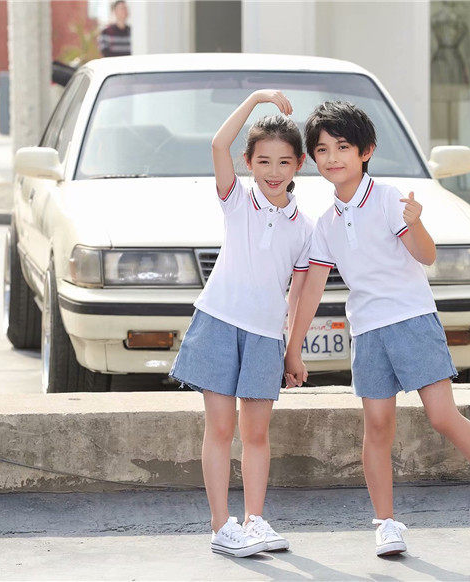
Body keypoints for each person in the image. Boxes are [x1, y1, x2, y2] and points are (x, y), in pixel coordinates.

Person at [284, 101, 470, 558]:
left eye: (343, 147)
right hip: (367, 332)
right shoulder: (325, 223)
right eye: (322, 149)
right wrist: (293, 348)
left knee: (442, 416)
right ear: (313, 158)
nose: (333, 157)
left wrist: (416, 224)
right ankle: (386, 524)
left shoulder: (388, 199)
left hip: (412, 320)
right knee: (377, 427)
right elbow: (312, 289)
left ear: (366, 151)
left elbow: (426, 256)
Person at [170, 90, 313, 558]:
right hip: (218, 323)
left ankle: (254, 520)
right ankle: (220, 527)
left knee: (256, 434)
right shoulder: (236, 200)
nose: (274, 171)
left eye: (284, 162)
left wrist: (292, 350)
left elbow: (297, 294)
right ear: (248, 162)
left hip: (265, 337)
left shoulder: (304, 228)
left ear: (300, 165)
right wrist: (255, 100)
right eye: (263, 161)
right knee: (219, 428)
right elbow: (218, 144)